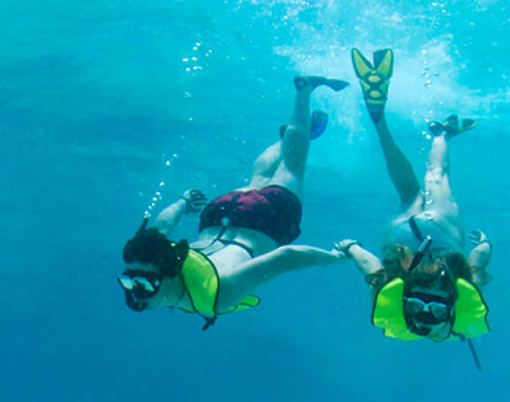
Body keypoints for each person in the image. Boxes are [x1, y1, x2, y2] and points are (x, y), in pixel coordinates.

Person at [119, 74, 351, 330]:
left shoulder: (220, 294)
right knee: (259, 177)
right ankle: (288, 136)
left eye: (143, 283)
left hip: (267, 221)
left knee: (291, 166)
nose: (135, 294)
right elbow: (160, 228)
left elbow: (287, 256)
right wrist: (183, 202)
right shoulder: (160, 253)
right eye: (129, 281)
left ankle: (304, 91)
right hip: (219, 212)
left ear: (167, 275)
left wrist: (336, 257)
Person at [336, 48, 495, 365]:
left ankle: (442, 134)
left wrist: (486, 243)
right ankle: (379, 122)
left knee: (437, 176)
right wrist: (350, 246)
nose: (428, 309)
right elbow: (369, 267)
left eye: (422, 309)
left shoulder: (461, 290)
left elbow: (477, 260)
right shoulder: (389, 295)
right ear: (447, 309)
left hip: (443, 229)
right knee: (408, 192)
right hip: (399, 234)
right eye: (435, 310)